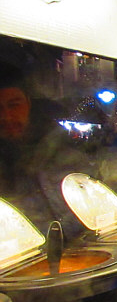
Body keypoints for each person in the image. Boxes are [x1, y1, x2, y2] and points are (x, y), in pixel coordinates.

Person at [0, 62, 93, 240]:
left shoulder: (63, 150)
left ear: (28, 103)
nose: (6, 116)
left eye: (14, 105)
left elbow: (92, 206)